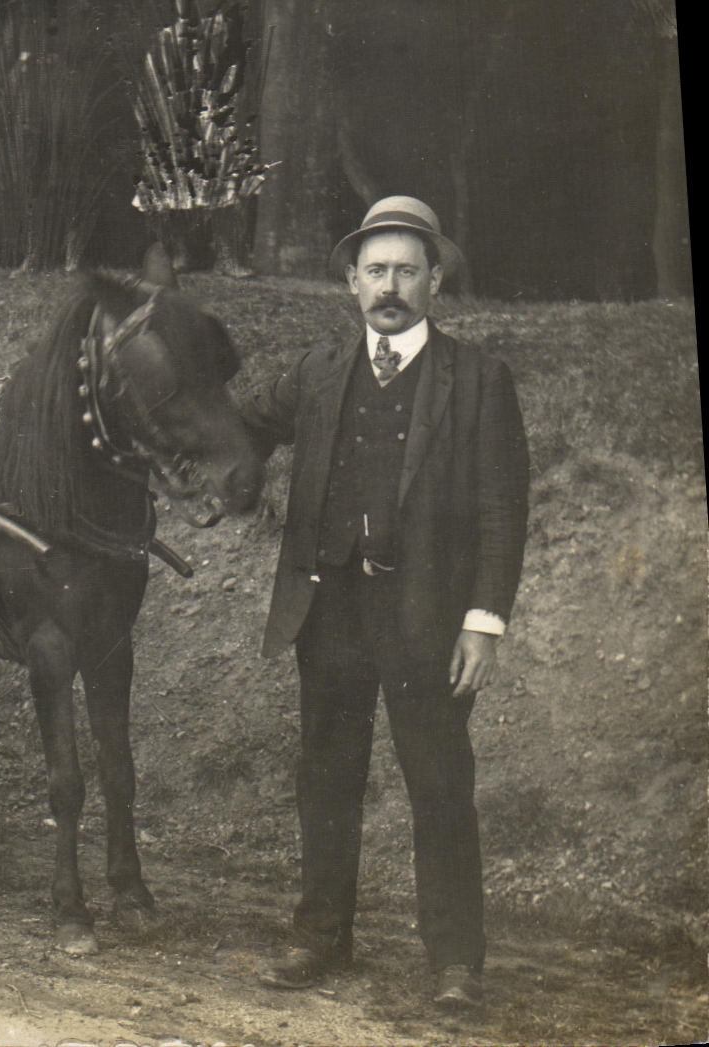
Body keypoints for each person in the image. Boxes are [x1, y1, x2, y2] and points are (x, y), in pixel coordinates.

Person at [240, 196, 530, 1012]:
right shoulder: (319, 370)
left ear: (435, 279)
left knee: (438, 782)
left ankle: (455, 961)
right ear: (350, 281)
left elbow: (505, 508)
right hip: (328, 611)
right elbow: (245, 427)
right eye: (376, 271)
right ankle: (320, 935)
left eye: (407, 270)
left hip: (427, 619)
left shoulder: (476, 379)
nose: (389, 286)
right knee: (327, 776)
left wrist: (484, 620)